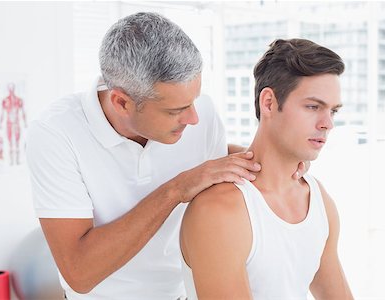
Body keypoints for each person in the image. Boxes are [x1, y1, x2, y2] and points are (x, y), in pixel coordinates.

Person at [26, 13, 307, 300]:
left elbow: (217, 164)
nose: (194, 118)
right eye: (175, 111)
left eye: (194, 101)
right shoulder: (55, 134)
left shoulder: (202, 115)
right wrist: (176, 190)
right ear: (122, 102)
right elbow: (80, 273)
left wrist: (283, 157)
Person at [180, 38, 354, 299]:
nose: (327, 123)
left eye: (333, 111)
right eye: (313, 107)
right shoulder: (220, 210)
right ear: (269, 103)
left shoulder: (318, 199)